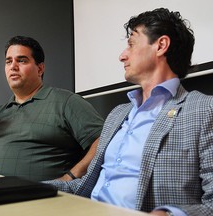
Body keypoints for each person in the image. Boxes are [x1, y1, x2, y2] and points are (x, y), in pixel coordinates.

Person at [44, 8, 213, 216]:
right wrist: (25, 187)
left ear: (161, 45)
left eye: (131, 44)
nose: (122, 56)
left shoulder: (203, 110)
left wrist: (169, 214)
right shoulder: (118, 114)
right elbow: (84, 187)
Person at [0, 36, 104, 181]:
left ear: (40, 69)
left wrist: (70, 177)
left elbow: (104, 140)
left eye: (21, 60)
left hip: (33, 201)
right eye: (8, 61)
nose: (13, 66)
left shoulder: (66, 102)